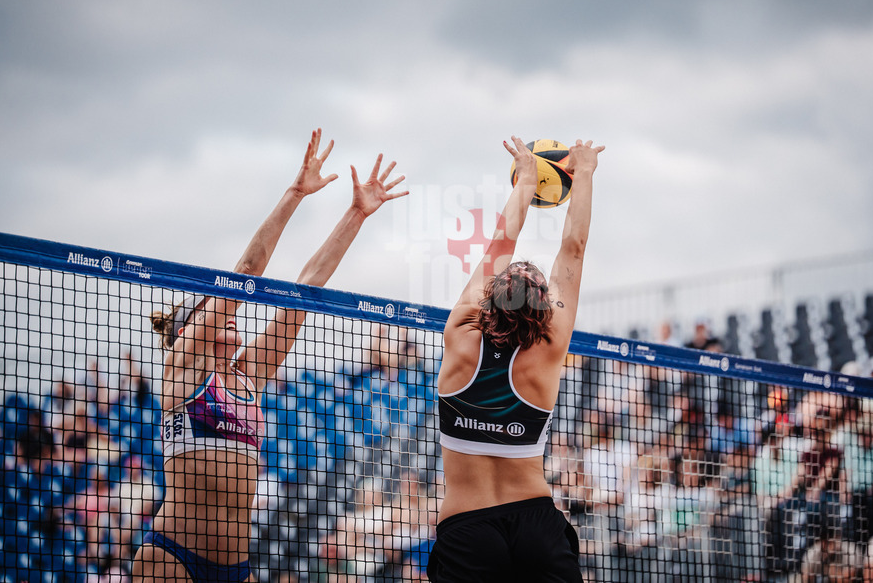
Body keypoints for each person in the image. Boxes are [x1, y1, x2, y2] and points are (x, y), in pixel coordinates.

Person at [131, 130, 407, 583]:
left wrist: (356, 214)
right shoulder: (184, 366)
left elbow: (307, 291)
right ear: (187, 330)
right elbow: (245, 273)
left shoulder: (248, 376)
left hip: (237, 568)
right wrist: (295, 193)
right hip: (171, 558)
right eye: (211, 307)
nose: (229, 312)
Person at [428, 136, 604, 582]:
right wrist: (581, 174)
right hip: (535, 526)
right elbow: (574, 249)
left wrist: (525, 180)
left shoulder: (461, 335)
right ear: (545, 309)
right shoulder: (549, 347)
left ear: (490, 300)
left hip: (468, 530)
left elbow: (498, 245)